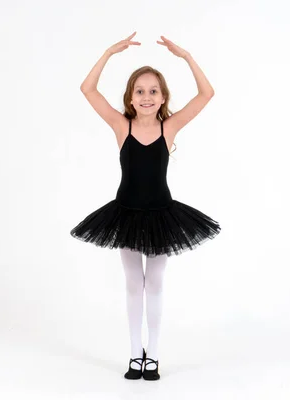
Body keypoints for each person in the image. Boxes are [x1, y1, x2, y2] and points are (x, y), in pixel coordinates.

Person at [70, 32, 221, 380]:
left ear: (163, 96)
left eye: (154, 90)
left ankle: (152, 353)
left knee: (154, 283)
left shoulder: (170, 128)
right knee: (132, 283)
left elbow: (206, 95)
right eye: (140, 91)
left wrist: (185, 56)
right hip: (125, 214)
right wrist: (108, 51)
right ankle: (133, 353)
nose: (147, 96)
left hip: (161, 215)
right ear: (130, 97)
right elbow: (88, 90)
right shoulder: (121, 126)